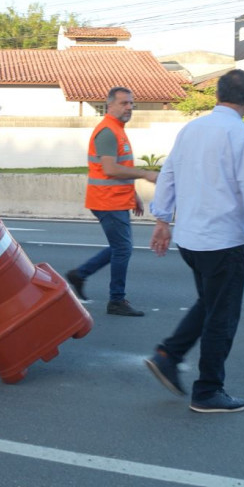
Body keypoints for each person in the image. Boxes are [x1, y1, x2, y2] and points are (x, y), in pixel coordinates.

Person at [144, 69, 244, 414]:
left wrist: (162, 220)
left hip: (190, 240)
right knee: (222, 317)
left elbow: (168, 174)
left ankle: (168, 355)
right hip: (223, 242)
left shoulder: (191, 130)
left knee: (210, 303)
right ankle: (207, 391)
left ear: (217, 95)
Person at [64, 86, 158, 316]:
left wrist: (133, 194)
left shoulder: (117, 129)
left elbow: (120, 168)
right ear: (110, 105)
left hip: (115, 199)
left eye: (131, 103)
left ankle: (80, 274)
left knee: (120, 247)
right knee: (123, 248)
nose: (129, 107)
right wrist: (145, 174)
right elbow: (110, 168)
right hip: (107, 200)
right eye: (124, 103)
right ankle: (116, 300)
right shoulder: (107, 131)